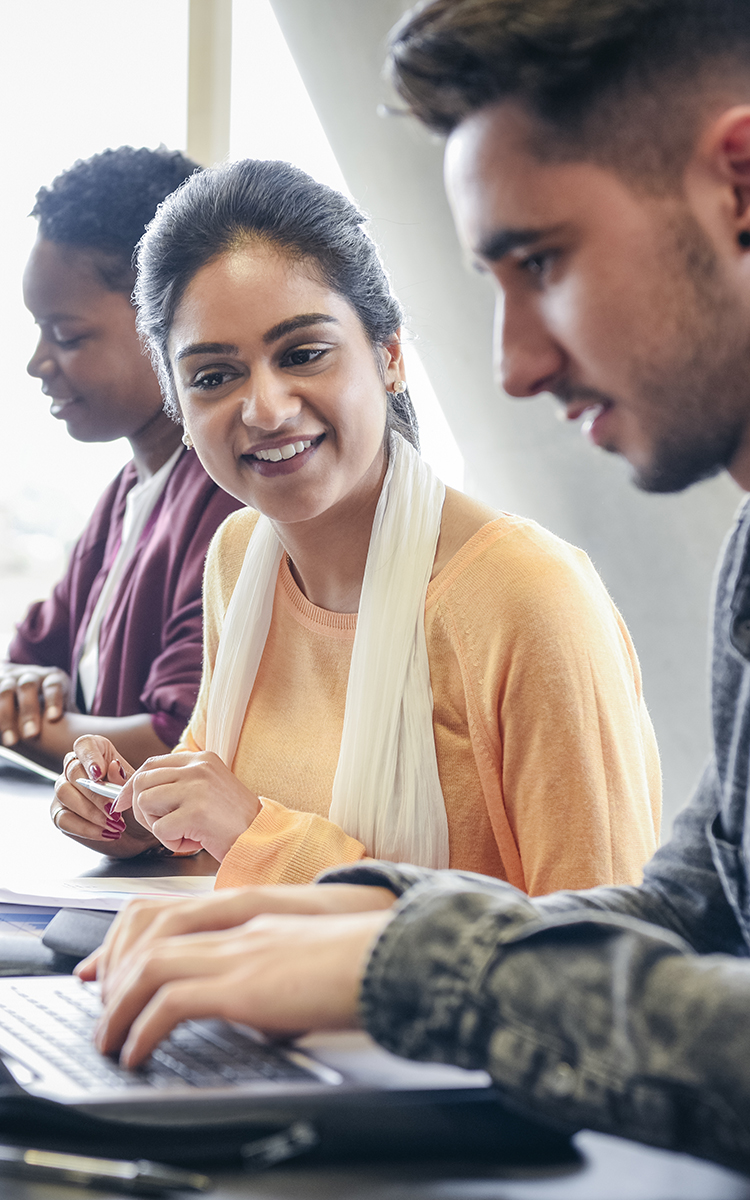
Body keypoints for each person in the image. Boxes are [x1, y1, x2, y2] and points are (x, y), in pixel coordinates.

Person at [75, 0, 750, 1175]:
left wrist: (395, 956)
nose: (513, 365)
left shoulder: (525, 592)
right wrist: (338, 918)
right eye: (215, 374)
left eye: (543, 261)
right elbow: (693, 918)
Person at [55, 157, 660, 886]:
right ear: (178, 407)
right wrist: (134, 815)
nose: (267, 409)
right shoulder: (240, 557)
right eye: (214, 376)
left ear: (391, 357)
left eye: (304, 353)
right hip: (248, 991)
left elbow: (599, 957)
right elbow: (214, 821)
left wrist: (259, 835)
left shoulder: (526, 598)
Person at [1, 147, 242, 782]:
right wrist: (19, 699)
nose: (37, 362)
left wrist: (13, 717)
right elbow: (26, 664)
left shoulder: (233, 502)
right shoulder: (126, 494)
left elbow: (176, 740)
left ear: (164, 317)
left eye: (67, 335)